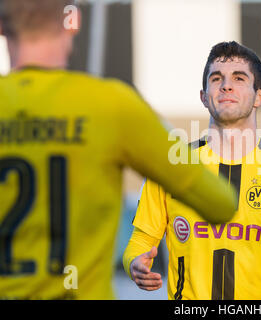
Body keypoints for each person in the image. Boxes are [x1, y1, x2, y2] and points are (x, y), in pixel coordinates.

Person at [0, 0, 237, 300]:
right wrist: (159, 132)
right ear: (73, 22)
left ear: (1, 27)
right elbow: (221, 203)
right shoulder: (113, 105)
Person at [123, 41, 261, 300]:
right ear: (204, 96)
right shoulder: (170, 169)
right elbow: (138, 244)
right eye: (216, 78)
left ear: (260, 96)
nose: (226, 85)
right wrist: (134, 265)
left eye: (239, 78)